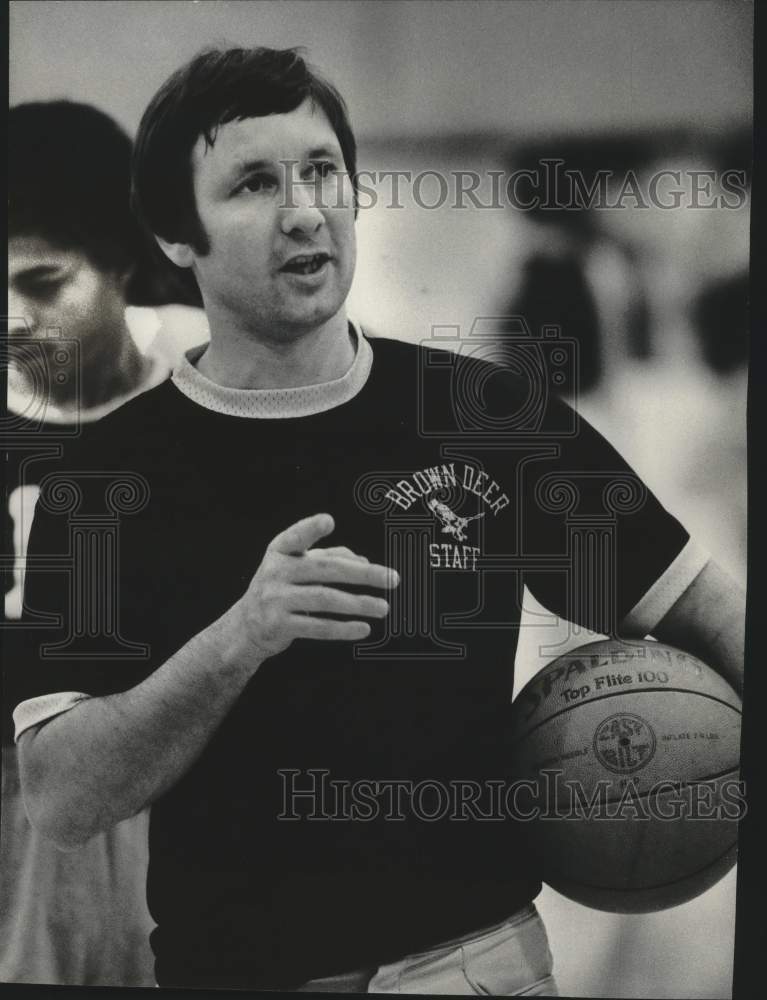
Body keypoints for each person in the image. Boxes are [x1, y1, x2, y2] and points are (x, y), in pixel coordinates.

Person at [7, 49, 745, 994]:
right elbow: (64, 797)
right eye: (253, 183)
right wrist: (238, 640)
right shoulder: (104, 479)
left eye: (322, 171)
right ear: (174, 234)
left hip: (476, 964)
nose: (304, 208)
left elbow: (710, 615)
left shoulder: (483, 416)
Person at [3, 100, 208, 985]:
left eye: (42, 284)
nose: (11, 318)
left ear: (122, 261)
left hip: (178, 839)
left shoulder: (205, 415)